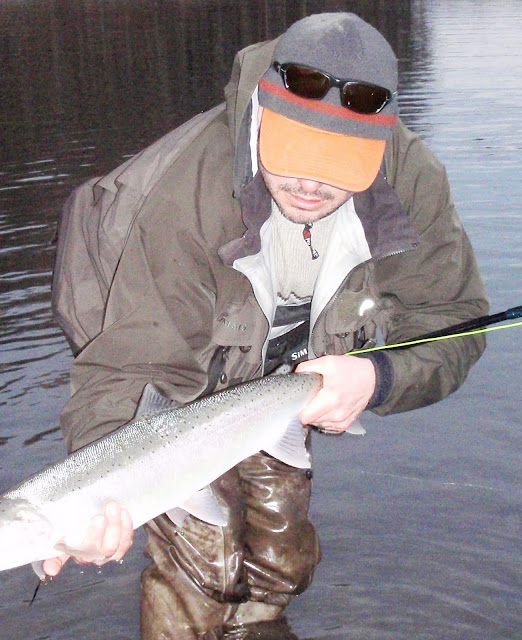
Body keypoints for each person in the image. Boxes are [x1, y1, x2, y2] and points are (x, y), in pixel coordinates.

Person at [45, 12, 488, 639]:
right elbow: (128, 367)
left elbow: (455, 321)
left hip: (276, 362)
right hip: (154, 340)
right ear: (261, 117)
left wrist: (378, 376)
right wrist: (95, 503)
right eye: (296, 155)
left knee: (281, 556)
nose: (310, 183)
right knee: (202, 560)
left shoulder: (411, 179)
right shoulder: (183, 195)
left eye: (337, 164)